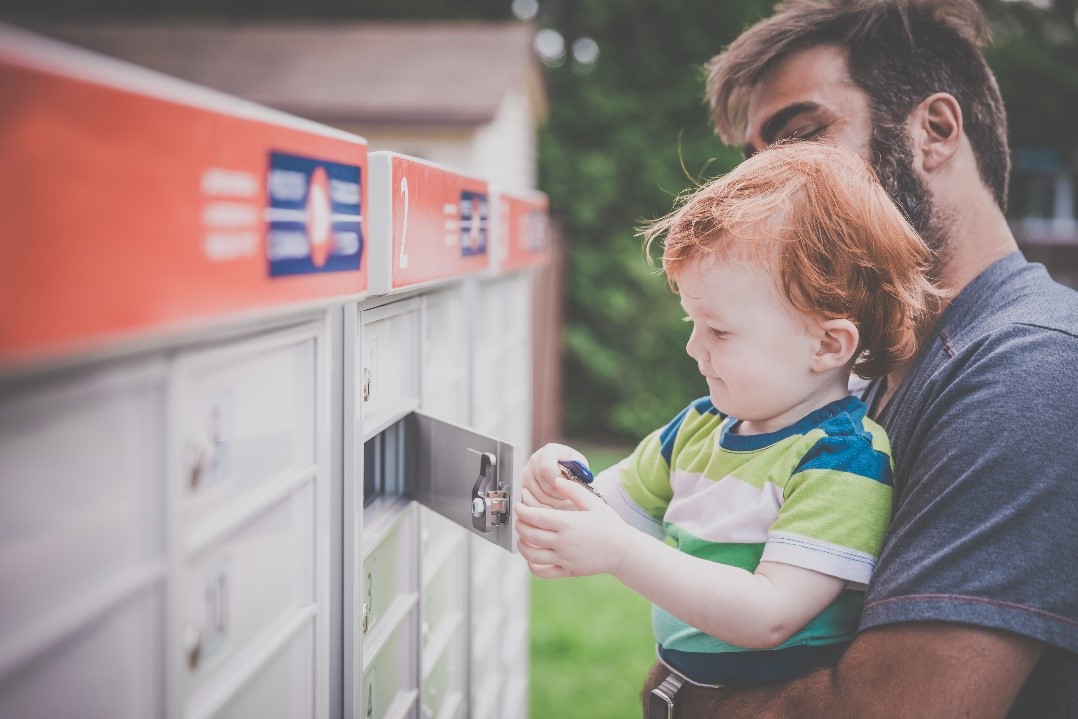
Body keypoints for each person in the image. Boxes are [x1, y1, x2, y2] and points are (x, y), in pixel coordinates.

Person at [532, 1, 1078, 716]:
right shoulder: (861, 372)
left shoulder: (1031, 371)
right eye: (756, 161)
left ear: (934, 131)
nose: (769, 184)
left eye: (801, 136)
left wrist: (677, 697)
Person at [514, 141, 946, 691]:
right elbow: (603, 509)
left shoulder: (842, 458)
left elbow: (769, 614)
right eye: (692, 322)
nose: (694, 348)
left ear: (827, 345)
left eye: (718, 330)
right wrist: (563, 475)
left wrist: (618, 552)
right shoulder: (698, 428)